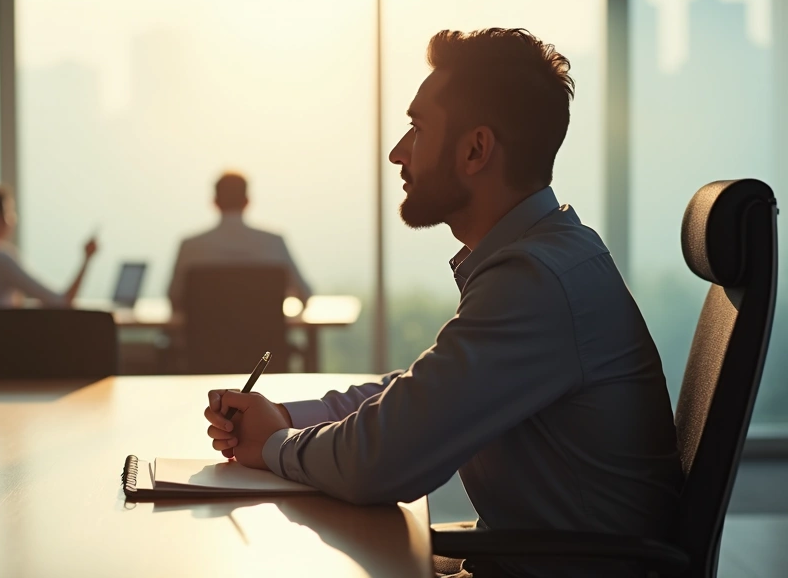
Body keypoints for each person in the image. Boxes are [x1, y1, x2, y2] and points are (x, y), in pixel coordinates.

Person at [201, 29, 683, 578]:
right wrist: (286, 417)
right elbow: (419, 392)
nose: (397, 153)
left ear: (476, 149)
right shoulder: (545, 256)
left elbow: (382, 461)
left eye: (418, 128)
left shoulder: (537, 281)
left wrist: (276, 444)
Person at [167, 172, 312, 308]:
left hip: (203, 335)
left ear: (215, 202)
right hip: (264, 334)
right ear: (247, 201)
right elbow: (305, 295)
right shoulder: (274, 242)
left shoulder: (190, 246)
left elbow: (174, 299)